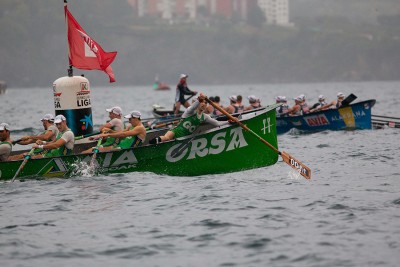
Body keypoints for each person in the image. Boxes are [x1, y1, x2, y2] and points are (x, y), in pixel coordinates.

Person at [149, 93, 231, 144]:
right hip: (175, 131)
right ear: (198, 103)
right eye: (202, 102)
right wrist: (199, 99)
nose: (204, 104)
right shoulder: (190, 111)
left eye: (205, 103)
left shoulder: (205, 117)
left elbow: (216, 123)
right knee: (166, 138)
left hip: (185, 137)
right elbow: (193, 106)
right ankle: (152, 143)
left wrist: (228, 121)